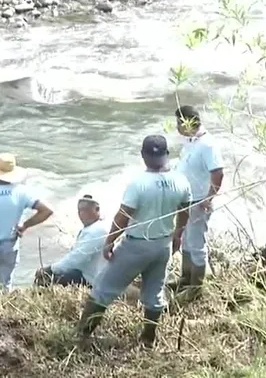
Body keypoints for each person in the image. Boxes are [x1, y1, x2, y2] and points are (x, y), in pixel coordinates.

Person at [77, 135, 192, 348]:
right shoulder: (181, 181)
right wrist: (178, 234)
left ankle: (82, 335)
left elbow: (123, 216)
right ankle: (148, 338)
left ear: (143, 155)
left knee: (103, 288)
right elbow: (185, 211)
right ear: (166, 154)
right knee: (155, 292)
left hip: (137, 245)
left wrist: (109, 241)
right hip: (162, 245)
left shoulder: (138, 183)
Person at [0, 153, 54, 291]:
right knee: (5, 286)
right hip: (10, 245)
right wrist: (25, 225)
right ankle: (2, 308)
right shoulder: (21, 192)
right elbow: (47, 210)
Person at [173, 105, 224, 292]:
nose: (177, 127)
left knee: (196, 243)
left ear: (186, 122)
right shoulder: (191, 141)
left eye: (178, 123)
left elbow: (218, 172)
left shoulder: (208, 144)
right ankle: (185, 280)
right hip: (187, 200)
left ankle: (196, 287)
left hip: (199, 201)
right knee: (186, 240)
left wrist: (209, 198)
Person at [35, 194, 108, 288]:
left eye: (85, 210)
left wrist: (50, 269)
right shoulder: (91, 228)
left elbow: (77, 258)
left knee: (45, 278)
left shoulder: (97, 231)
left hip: (91, 278)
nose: (81, 214)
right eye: (79, 210)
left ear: (96, 209)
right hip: (86, 272)